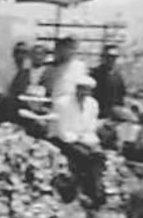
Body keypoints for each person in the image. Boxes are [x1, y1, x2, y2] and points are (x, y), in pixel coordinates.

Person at [47, 71, 105, 205]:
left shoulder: (92, 104)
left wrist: (89, 141)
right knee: (84, 156)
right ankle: (88, 191)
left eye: (87, 91)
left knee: (98, 156)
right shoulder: (63, 103)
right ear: (76, 89)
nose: (84, 94)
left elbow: (90, 128)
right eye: (81, 90)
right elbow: (62, 131)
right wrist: (81, 139)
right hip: (61, 139)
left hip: (82, 138)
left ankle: (95, 190)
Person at [0, 40, 35, 125]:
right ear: (14, 54)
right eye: (19, 52)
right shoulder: (5, 70)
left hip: (22, 109)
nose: (21, 55)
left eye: (24, 52)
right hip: (5, 108)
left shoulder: (29, 71)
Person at [41, 36, 89, 102]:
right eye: (69, 48)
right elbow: (46, 86)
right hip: (53, 101)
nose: (72, 51)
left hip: (72, 103)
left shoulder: (80, 66)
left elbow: (83, 87)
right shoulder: (50, 67)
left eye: (74, 49)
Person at [91, 43, 126, 116]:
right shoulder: (95, 74)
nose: (111, 60)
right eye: (109, 57)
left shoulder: (117, 76)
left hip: (114, 115)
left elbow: (121, 96)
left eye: (114, 57)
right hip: (98, 114)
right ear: (103, 57)